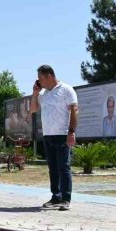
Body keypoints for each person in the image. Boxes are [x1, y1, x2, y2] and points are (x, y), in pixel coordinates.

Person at [30, 64, 78, 211]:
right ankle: (56, 197)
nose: (39, 82)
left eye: (40, 79)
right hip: (48, 135)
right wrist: (35, 93)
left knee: (64, 167)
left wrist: (71, 132)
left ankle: (66, 199)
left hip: (62, 134)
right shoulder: (44, 94)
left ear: (49, 76)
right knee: (53, 168)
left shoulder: (66, 89)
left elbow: (74, 110)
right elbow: (33, 109)